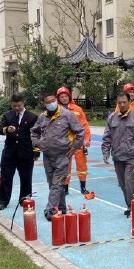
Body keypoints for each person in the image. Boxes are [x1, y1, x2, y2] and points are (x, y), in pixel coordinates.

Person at [31, 93, 84, 221]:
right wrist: (38, 143)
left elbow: (80, 132)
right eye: (48, 102)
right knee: (52, 184)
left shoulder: (67, 114)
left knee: (57, 183)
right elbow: (34, 132)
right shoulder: (42, 117)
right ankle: (62, 207)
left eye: (53, 100)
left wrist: (74, 147)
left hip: (62, 156)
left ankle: (50, 209)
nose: (51, 103)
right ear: (44, 104)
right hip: (48, 156)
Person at [102, 92, 134, 216]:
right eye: (120, 102)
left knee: (129, 181)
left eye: (124, 102)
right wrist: (105, 152)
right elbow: (107, 136)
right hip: (117, 156)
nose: (122, 104)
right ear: (117, 103)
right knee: (122, 183)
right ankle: (130, 205)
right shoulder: (112, 117)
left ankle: (133, 206)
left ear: (129, 102)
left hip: (132, 155)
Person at [0, 94, 38, 210]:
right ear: (11, 104)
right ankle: (3, 200)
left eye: (19, 105)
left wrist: (36, 151)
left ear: (23, 103)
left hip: (26, 153)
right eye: (14, 106)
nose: (16, 108)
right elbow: (0, 128)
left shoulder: (32, 117)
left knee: (26, 178)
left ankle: (25, 199)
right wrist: (6, 129)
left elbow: (37, 135)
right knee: (6, 178)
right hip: (9, 153)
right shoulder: (7, 115)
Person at [56, 86, 91, 195]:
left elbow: (84, 125)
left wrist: (86, 139)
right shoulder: (56, 110)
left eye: (65, 96)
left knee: (82, 165)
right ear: (58, 98)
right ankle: (65, 188)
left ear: (69, 96)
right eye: (61, 96)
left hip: (78, 141)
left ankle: (83, 187)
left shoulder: (77, 109)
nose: (64, 98)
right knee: (66, 165)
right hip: (64, 143)